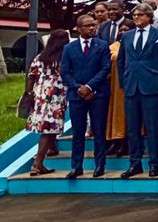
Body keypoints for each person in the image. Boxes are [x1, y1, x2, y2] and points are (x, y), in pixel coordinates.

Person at [118, 3, 158, 179]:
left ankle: (154, 164)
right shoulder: (126, 36)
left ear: (149, 16)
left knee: (152, 128)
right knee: (133, 129)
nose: (137, 18)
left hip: (152, 86)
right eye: (134, 15)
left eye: (140, 15)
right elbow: (121, 61)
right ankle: (135, 163)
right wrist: (124, 83)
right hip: (132, 87)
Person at [60, 15, 111, 179]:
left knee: (98, 130)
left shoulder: (102, 46)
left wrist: (89, 87)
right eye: (88, 26)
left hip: (98, 94)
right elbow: (65, 72)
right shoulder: (69, 48)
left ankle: (100, 165)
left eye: (93, 25)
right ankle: (76, 167)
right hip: (76, 95)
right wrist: (78, 88)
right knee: (78, 132)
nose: (92, 28)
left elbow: (105, 69)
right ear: (79, 28)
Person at [25, 29, 70, 176]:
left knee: (47, 127)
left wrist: (29, 93)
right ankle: (37, 163)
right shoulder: (64, 56)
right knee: (49, 129)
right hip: (56, 94)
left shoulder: (41, 56)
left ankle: (52, 149)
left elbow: (31, 75)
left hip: (41, 93)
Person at [106, 22, 132, 157]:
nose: (123, 31)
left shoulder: (133, 45)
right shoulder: (112, 47)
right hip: (114, 89)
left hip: (129, 85)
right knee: (115, 116)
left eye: (126, 29)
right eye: (121, 29)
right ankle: (116, 142)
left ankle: (126, 144)